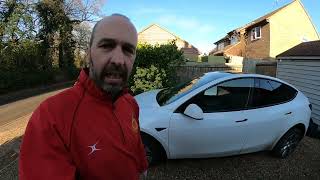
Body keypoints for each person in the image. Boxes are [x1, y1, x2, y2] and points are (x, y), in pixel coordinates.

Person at [19, 14, 148, 180]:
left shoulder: (130, 102)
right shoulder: (51, 116)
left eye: (128, 50)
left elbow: (137, 149)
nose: (118, 60)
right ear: (88, 54)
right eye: (107, 46)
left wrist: (142, 169)